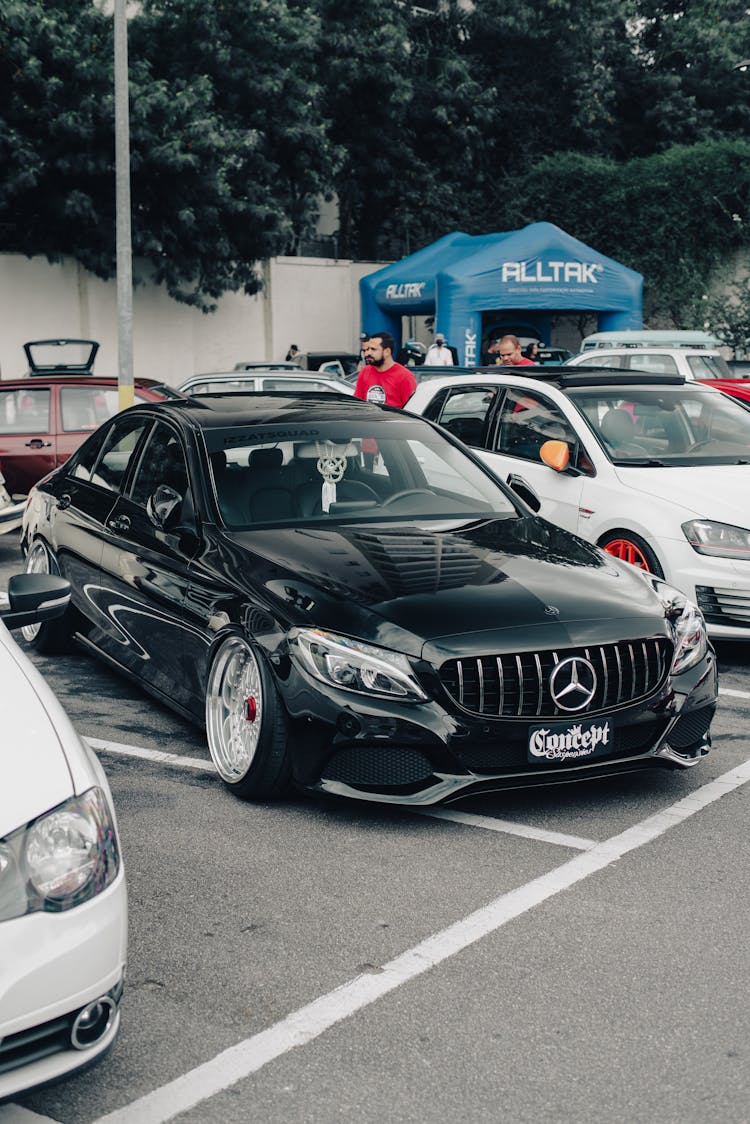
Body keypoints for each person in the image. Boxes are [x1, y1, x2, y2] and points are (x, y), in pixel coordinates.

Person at [354, 331, 417, 407]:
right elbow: (357, 404)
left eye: (373, 349)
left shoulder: (404, 376)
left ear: (387, 351)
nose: (367, 353)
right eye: (367, 349)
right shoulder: (365, 372)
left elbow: (411, 410)